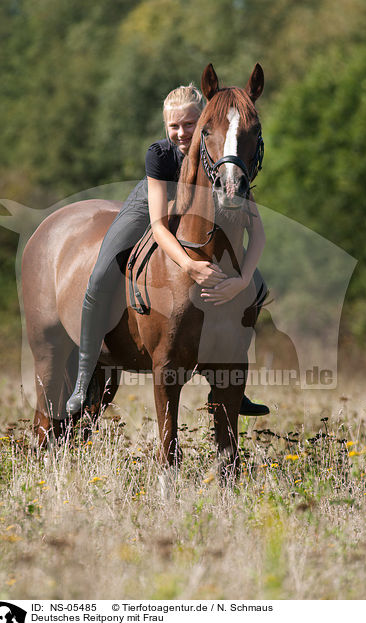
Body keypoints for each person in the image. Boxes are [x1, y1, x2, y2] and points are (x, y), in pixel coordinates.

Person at [66, 84, 269, 416]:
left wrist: (244, 279)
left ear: (203, 120)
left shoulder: (218, 153)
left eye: (189, 124)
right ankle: (83, 378)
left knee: (260, 286)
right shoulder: (159, 155)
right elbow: (159, 226)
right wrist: (190, 267)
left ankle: (232, 384)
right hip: (149, 208)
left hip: (196, 214)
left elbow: (256, 229)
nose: (180, 133)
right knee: (101, 275)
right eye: (173, 126)